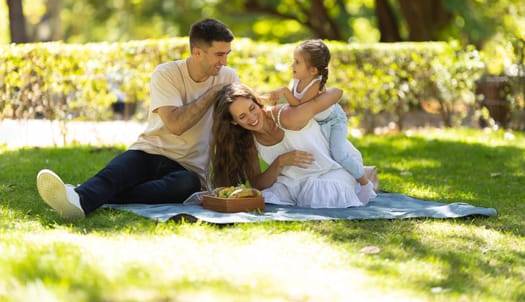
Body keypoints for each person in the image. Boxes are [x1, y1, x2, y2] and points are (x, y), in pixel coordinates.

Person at [36, 18, 240, 219]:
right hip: (149, 151)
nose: (224, 62)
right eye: (219, 55)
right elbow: (176, 125)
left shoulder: (228, 77)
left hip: (187, 168)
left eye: (227, 54)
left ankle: (84, 195)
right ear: (197, 52)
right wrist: (213, 92)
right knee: (115, 175)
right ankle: (77, 202)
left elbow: (244, 112)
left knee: (187, 185)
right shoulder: (167, 73)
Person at [210, 83, 376, 208]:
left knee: (319, 194)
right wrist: (280, 162)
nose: (252, 117)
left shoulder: (285, 115)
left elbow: (327, 98)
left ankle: (362, 178)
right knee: (266, 198)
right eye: (242, 116)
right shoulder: (248, 142)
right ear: (234, 121)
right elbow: (257, 184)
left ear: (256, 102)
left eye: (252, 108)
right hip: (295, 180)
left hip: (333, 169)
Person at [267, 39, 378, 190]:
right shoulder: (297, 79)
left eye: (297, 62)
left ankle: (365, 183)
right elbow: (296, 105)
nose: (292, 65)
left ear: (313, 70)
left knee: (339, 154)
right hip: (320, 122)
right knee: (327, 155)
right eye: (294, 60)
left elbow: (299, 106)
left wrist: (284, 92)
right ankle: (351, 175)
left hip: (334, 121)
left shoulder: (315, 84)